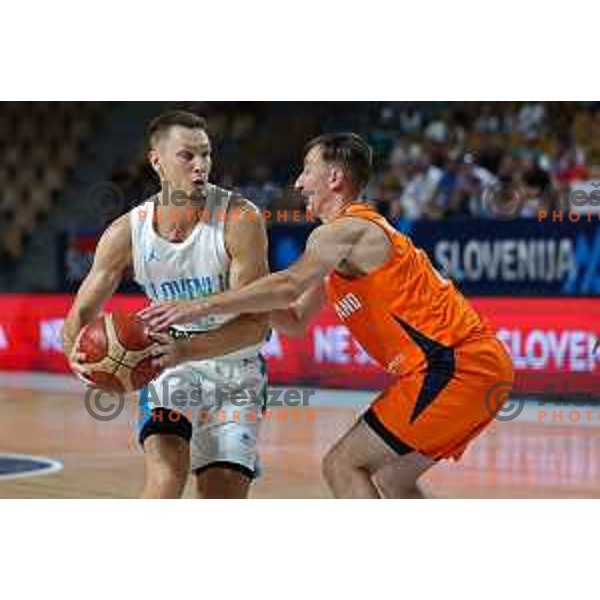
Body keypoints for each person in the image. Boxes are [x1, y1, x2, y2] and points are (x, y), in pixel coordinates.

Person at [139, 132, 514, 499]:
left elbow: (288, 284)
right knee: (392, 479)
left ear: (334, 178)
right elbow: (296, 318)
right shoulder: (343, 248)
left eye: (307, 170)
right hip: (470, 368)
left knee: (343, 466)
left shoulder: (344, 230)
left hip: (454, 367)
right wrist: (233, 297)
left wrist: (202, 304)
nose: (299, 183)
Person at [63, 110, 270, 499]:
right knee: (166, 475)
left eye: (206, 154)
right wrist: (78, 357)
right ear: (156, 160)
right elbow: (80, 313)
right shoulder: (127, 231)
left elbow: (256, 324)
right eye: (187, 155)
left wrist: (186, 349)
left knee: (220, 494)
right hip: (166, 368)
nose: (201, 165)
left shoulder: (239, 218)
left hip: (235, 370)